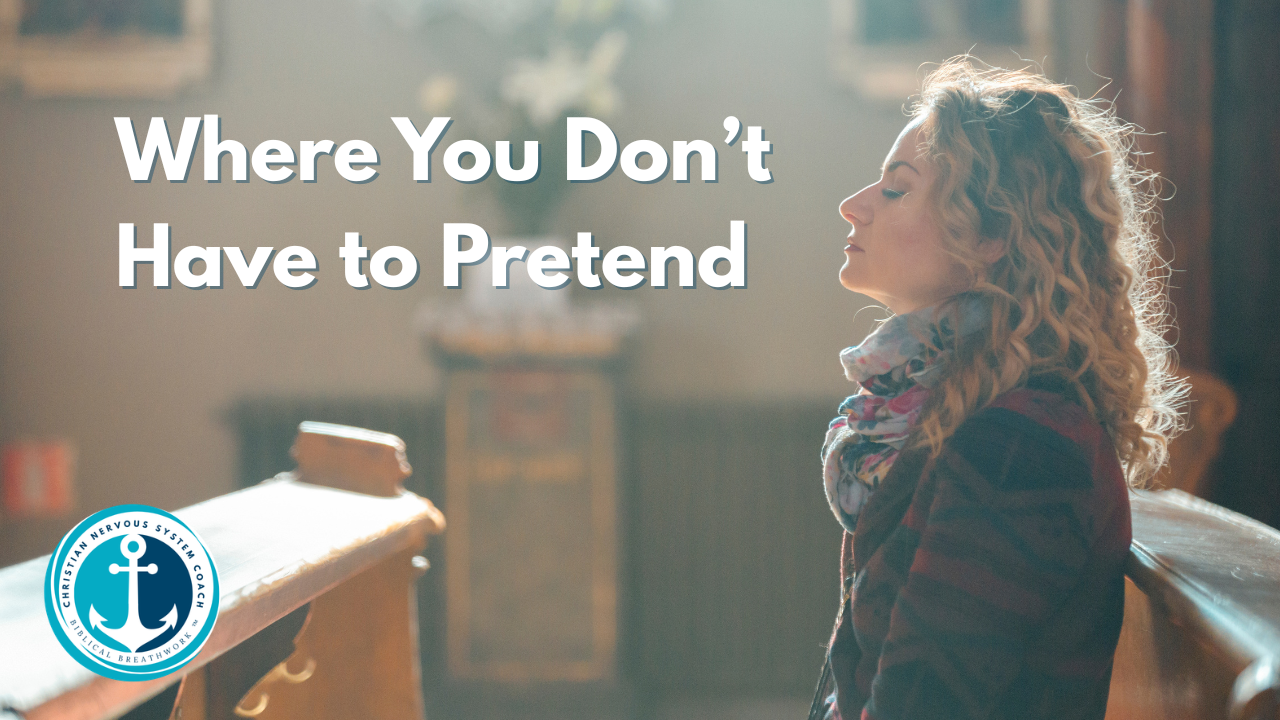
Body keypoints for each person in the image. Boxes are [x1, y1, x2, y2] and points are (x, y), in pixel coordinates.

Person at [810, 58, 1185, 720]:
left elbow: (923, 704)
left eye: (896, 190)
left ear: (993, 235)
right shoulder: (958, 411)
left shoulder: (1021, 447)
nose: (853, 205)